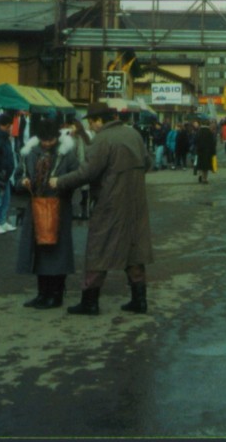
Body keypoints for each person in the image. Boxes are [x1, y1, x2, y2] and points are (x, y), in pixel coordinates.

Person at [51, 102, 154, 316]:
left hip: (109, 202)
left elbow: (86, 173)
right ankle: (140, 300)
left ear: (99, 120)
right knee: (134, 250)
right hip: (135, 203)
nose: (91, 126)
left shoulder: (103, 139)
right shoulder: (133, 134)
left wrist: (59, 181)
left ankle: (90, 302)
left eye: (91, 121)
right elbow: (147, 162)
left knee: (99, 249)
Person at [16, 117, 80, 309]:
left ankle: (56, 294)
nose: (46, 144)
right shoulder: (30, 152)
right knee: (39, 252)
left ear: (57, 138)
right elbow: (19, 174)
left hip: (59, 208)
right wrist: (23, 181)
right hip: (37, 207)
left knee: (57, 252)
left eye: (50, 140)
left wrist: (60, 182)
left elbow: (78, 176)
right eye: (43, 140)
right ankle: (42, 293)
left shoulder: (67, 153)